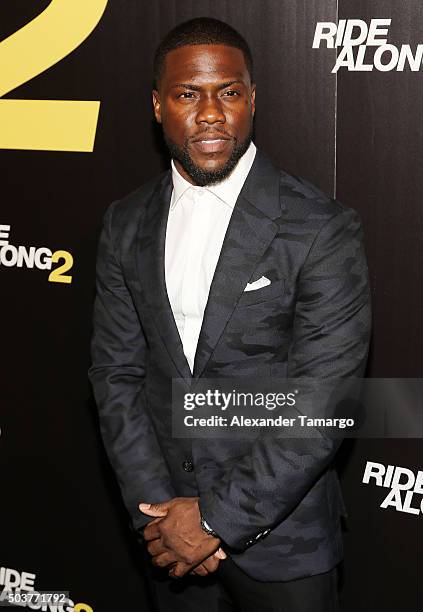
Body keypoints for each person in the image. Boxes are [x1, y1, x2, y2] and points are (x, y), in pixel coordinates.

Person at [88, 17, 371, 612]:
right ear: (158, 105)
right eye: (189, 93)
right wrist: (158, 515)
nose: (212, 112)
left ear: (252, 100)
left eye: (230, 92)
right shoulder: (126, 223)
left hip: (284, 542)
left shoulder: (319, 227)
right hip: (164, 533)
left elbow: (323, 402)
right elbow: (116, 375)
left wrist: (212, 519)